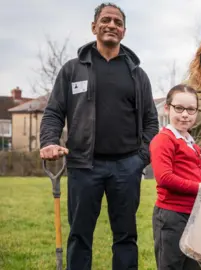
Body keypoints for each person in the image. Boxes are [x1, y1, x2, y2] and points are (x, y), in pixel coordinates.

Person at [39, 3, 159, 269]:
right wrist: (49, 141)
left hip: (127, 167)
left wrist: (140, 158)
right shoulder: (72, 70)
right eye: (106, 20)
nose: (111, 26)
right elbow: (54, 113)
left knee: (126, 236)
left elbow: (152, 121)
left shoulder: (137, 75)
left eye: (117, 22)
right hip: (83, 165)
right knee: (80, 235)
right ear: (94, 27)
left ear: (124, 32)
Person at [149, 84, 201, 270]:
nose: (185, 114)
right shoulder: (164, 139)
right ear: (167, 108)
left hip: (193, 214)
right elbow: (164, 178)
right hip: (172, 215)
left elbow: (190, 171)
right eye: (178, 108)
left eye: (191, 109)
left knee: (193, 266)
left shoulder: (190, 142)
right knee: (171, 265)